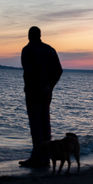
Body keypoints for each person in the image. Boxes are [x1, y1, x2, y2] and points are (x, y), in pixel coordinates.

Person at [19, 26, 63, 168]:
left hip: (33, 92)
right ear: (40, 35)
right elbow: (59, 70)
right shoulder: (49, 50)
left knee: (36, 125)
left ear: (29, 36)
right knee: (45, 124)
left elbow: (28, 72)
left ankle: (38, 157)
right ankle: (45, 157)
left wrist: (43, 86)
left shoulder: (27, 50)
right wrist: (50, 86)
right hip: (45, 92)